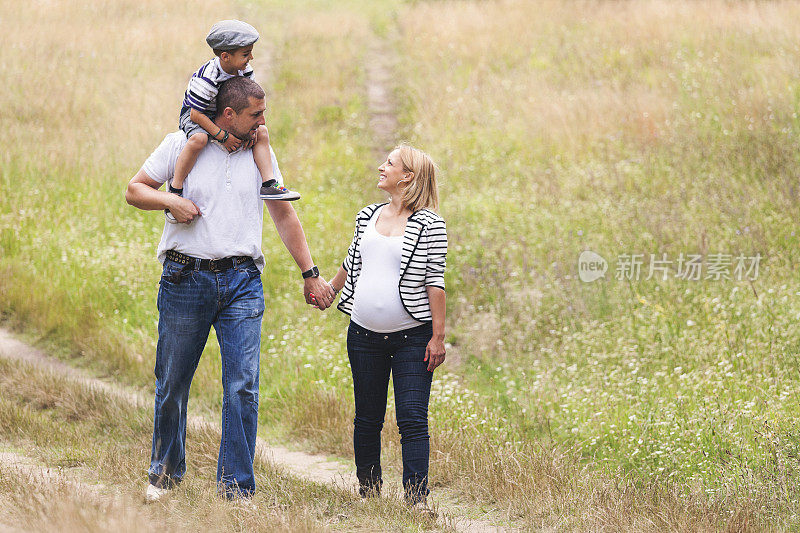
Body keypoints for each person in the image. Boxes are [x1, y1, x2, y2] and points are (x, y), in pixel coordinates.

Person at [125, 76, 335, 502]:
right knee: (172, 383)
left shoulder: (261, 154)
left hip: (242, 282)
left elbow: (283, 216)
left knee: (243, 385)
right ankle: (164, 476)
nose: (264, 121)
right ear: (228, 115)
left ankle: (235, 490)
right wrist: (172, 201)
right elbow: (134, 190)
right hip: (185, 279)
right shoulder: (180, 143)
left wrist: (310, 272)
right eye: (256, 114)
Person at [325, 144, 447, 510]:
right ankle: (369, 492)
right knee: (367, 417)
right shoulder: (368, 215)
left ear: (407, 176)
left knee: (411, 417)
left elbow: (435, 282)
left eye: (389, 164)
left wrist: (438, 338)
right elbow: (351, 263)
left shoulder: (429, 223)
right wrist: (328, 290)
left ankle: (416, 501)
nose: (381, 167)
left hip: (413, 337)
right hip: (362, 335)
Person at [166, 19, 299, 223]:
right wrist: (223, 136)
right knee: (198, 140)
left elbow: (248, 100)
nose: (251, 58)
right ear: (225, 56)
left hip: (224, 114)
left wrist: (249, 130)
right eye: (246, 54)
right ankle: (175, 189)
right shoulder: (207, 79)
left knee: (261, 133)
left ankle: (269, 183)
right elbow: (196, 115)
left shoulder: (244, 70)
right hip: (199, 114)